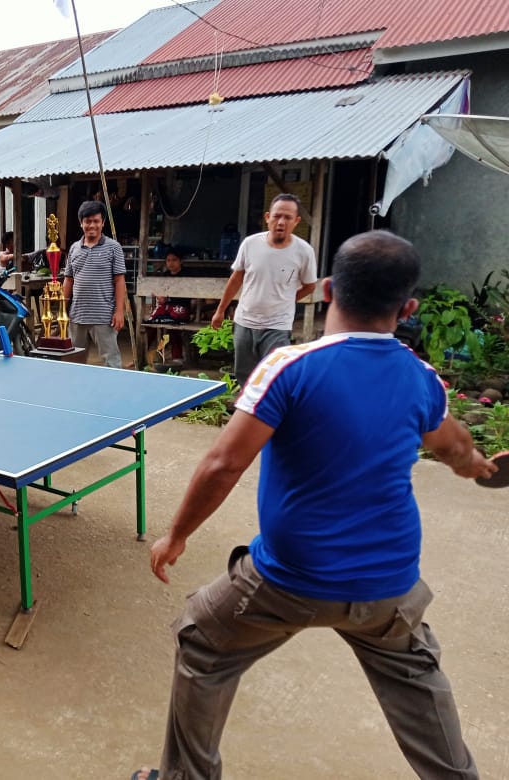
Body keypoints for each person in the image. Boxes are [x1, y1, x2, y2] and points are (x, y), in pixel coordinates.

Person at [138, 230, 496, 780]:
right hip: (389, 587)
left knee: (201, 641)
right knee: (417, 676)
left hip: (285, 583)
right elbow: (455, 447)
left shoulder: (289, 366)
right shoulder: (422, 379)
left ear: (326, 291)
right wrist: (478, 467)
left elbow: (222, 464)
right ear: (408, 308)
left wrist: (177, 534)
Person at [210, 193, 317, 388]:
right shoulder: (250, 244)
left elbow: (310, 285)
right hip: (245, 322)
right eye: (277, 216)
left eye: (287, 217)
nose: (281, 222)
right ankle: (247, 414)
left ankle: (272, 417)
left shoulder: (304, 251)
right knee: (245, 376)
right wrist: (220, 310)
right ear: (267, 217)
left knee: (275, 376)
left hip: (277, 325)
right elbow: (236, 279)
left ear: (296, 221)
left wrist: (287, 300)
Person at [62, 200, 126, 368]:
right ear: (81, 223)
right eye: (87, 221)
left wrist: (119, 311)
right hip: (77, 316)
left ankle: (114, 393)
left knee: (111, 361)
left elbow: (119, 281)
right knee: (73, 361)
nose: (92, 225)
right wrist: (63, 309)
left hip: (104, 317)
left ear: (103, 222)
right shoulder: (74, 248)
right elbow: (68, 280)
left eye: (96, 221)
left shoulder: (114, 248)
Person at [146, 250, 192, 363]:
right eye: (168, 260)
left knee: (173, 326)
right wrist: (159, 296)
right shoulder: (164, 276)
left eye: (174, 260)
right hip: (166, 307)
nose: (171, 263)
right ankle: (141, 355)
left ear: (180, 261)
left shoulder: (187, 275)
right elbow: (159, 292)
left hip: (180, 308)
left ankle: (177, 357)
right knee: (150, 325)